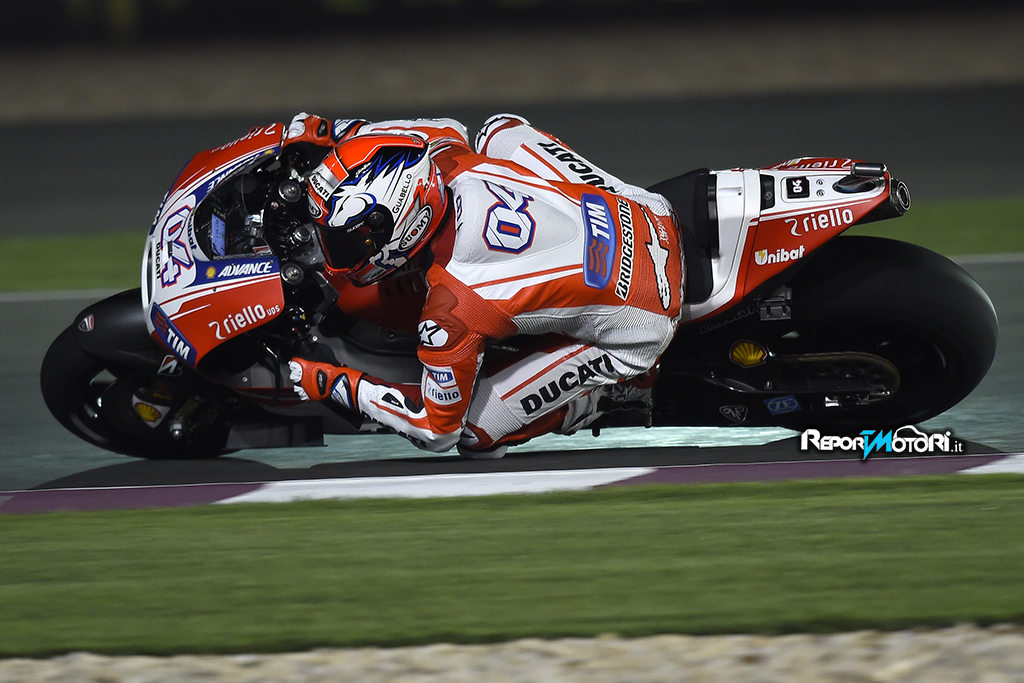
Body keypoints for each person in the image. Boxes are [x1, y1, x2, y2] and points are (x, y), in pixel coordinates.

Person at [286, 112, 685, 458]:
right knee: (499, 129)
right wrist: (336, 132)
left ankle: (609, 395)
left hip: (644, 317)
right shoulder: (446, 160)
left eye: (345, 242)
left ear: (406, 224)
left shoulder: (451, 309)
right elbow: (435, 129)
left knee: (476, 433)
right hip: (647, 212)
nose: (332, 255)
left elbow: (435, 431)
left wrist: (331, 383)